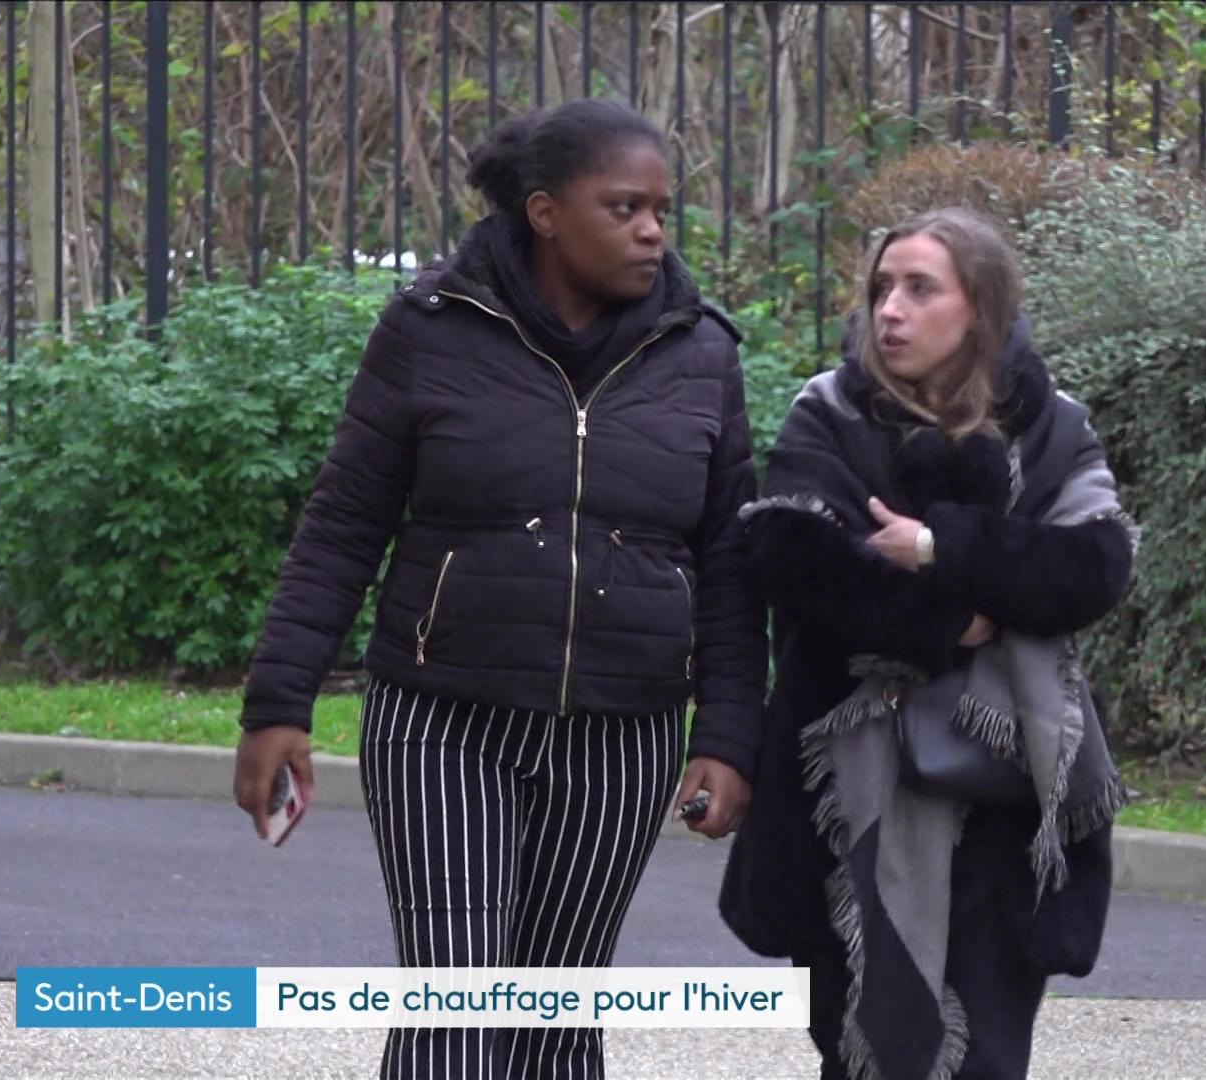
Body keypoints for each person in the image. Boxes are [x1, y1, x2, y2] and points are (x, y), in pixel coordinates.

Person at [232, 99, 766, 1079]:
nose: (653, 230)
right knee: (455, 1012)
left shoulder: (701, 353)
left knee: (555, 1023)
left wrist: (727, 735)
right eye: (624, 207)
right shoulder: (431, 330)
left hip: (623, 731)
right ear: (545, 212)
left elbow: (731, 559)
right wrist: (278, 704)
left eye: (661, 209)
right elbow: (345, 521)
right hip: (443, 721)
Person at [719, 207, 1137, 1080]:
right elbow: (792, 556)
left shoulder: (1052, 423)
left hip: (1007, 789)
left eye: (919, 289)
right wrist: (956, 621)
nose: (890, 311)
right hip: (841, 788)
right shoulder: (829, 411)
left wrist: (939, 549)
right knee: (856, 1049)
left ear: (978, 308)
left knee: (989, 1053)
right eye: (880, 289)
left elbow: (1094, 566)